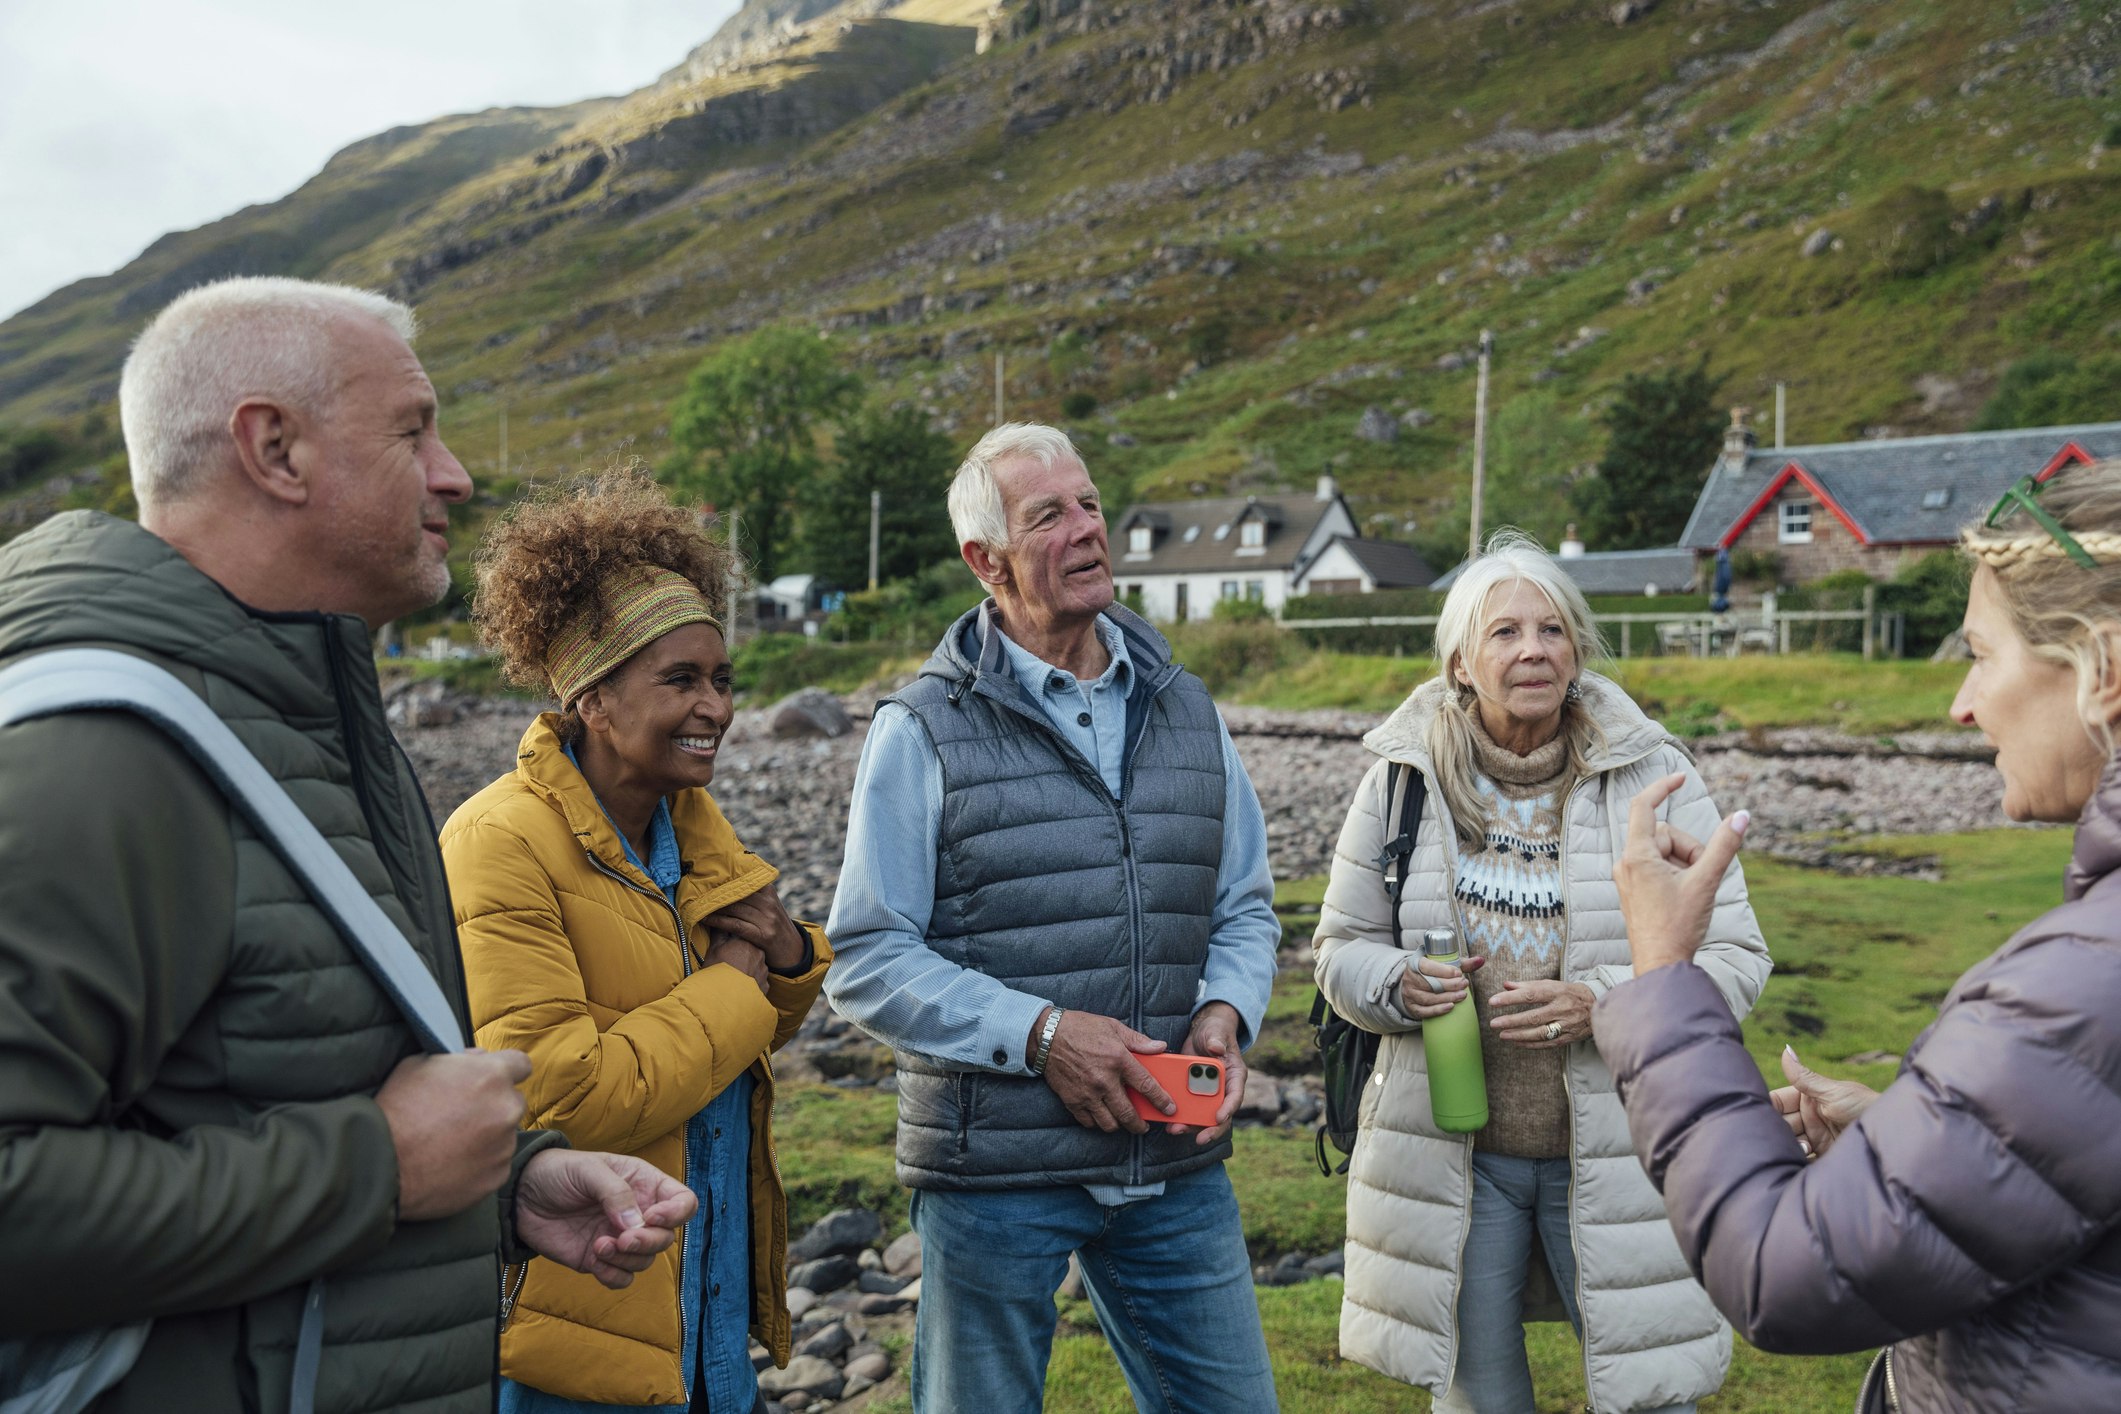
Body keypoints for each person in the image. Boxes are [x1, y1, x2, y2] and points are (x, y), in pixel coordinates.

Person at [0, 277, 692, 1414]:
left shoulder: (309, 721)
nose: (456, 473)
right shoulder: (95, 756)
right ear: (275, 449)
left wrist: (508, 1181)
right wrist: (381, 1169)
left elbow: (293, 1073)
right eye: (414, 431)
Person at [1599, 464, 2121, 1413]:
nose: (1960, 706)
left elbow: (1779, 1273)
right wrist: (1906, 1142)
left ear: (2101, 667)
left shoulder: (2075, 991)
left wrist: (1663, 974)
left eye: (1980, 654)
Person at [824, 422, 1282, 1414]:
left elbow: (1243, 905)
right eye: (1049, 516)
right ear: (984, 561)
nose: (1086, 530)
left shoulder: (1185, 706)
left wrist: (1223, 1015)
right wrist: (1040, 1037)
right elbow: (864, 955)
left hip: (1172, 1154)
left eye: (1090, 506)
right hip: (994, 1172)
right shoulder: (921, 728)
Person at [1311, 531, 1771, 1414]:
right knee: (1480, 1398)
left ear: (1578, 649)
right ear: (1457, 662)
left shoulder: (1656, 774)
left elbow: (1734, 960)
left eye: (1552, 630)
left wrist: (1602, 1006)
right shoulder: (1400, 783)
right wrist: (1397, 985)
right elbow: (1338, 951)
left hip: (1623, 1147)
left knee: (1650, 1395)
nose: (1533, 650)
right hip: (1455, 1155)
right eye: (1505, 633)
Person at [442, 468, 832, 1413]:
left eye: (724, 679)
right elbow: (561, 1097)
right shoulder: (498, 842)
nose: (718, 708)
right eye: (681, 680)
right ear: (593, 699)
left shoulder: (693, 826)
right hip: (582, 1329)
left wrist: (785, 960)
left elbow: (719, 1049)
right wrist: (741, 983)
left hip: (701, 1308)